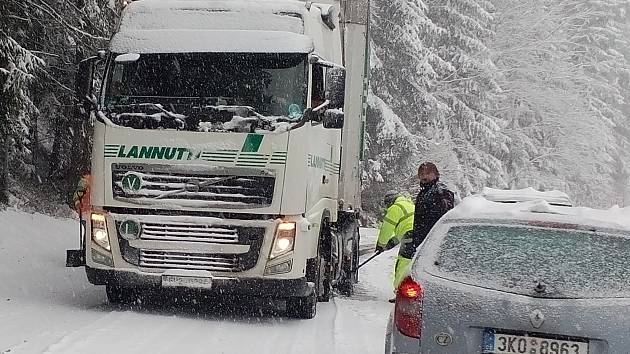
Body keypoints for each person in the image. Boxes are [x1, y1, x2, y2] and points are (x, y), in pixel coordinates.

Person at [394, 162, 454, 288]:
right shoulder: (424, 193)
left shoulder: (441, 191)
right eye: (421, 174)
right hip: (421, 239)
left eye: (427, 173)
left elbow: (445, 215)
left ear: (435, 174)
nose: (423, 176)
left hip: (433, 241)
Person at [374, 190, 415, 292]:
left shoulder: (395, 208)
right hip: (417, 236)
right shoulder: (409, 205)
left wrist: (381, 244)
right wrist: (390, 244)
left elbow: (386, 228)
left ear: (389, 201)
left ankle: (400, 292)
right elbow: (402, 229)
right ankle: (407, 291)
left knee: (402, 265)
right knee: (412, 264)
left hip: (409, 237)